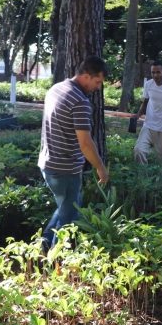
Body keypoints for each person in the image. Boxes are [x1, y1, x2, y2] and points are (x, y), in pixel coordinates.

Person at [38, 55, 110, 250]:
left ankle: (42, 247)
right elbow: (85, 143)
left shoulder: (56, 89)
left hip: (48, 163)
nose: (98, 87)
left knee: (66, 208)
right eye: (97, 82)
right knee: (69, 218)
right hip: (65, 168)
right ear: (86, 76)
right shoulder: (80, 102)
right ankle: (54, 263)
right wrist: (101, 168)